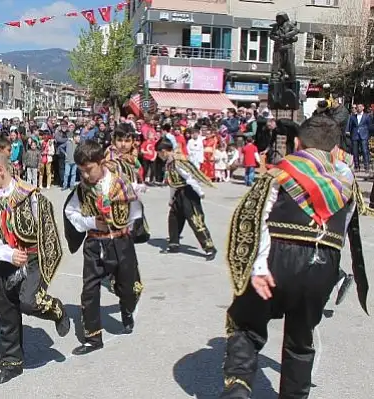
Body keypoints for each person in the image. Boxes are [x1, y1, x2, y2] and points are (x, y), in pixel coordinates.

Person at [221, 114, 370, 398]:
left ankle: (237, 392)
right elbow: (346, 227)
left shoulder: (281, 172)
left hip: (279, 258)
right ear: (334, 147)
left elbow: (253, 218)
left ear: (298, 143)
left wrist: (257, 267)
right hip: (323, 264)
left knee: (245, 326)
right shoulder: (345, 181)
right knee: (300, 341)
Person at [0, 147, 70, 385]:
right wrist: (7, 254)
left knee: (29, 301)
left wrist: (39, 262)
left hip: (32, 259)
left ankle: (55, 309)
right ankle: (11, 363)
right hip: (7, 262)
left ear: (0, 169)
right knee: (6, 313)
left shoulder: (31, 196)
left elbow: (47, 232)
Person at [63, 140, 145, 356]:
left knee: (127, 287)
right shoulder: (81, 190)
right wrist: (91, 222)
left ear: (101, 162)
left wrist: (129, 229)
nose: (85, 175)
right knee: (89, 290)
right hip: (94, 243)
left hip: (120, 241)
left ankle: (127, 309)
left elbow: (135, 210)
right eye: (81, 170)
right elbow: (71, 213)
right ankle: (92, 338)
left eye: (89, 169)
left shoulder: (120, 183)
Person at [157, 139, 217, 260]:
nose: (158, 156)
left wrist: (200, 192)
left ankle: (209, 248)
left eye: (159, 153)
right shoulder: (169, 163)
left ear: (163, 151)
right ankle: (174, 243)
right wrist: (171, 199)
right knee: (174, 218)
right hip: (178, 194)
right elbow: (173, 184)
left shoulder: (178, 162)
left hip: (188, 193)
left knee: (195, 220)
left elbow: (189, 178)